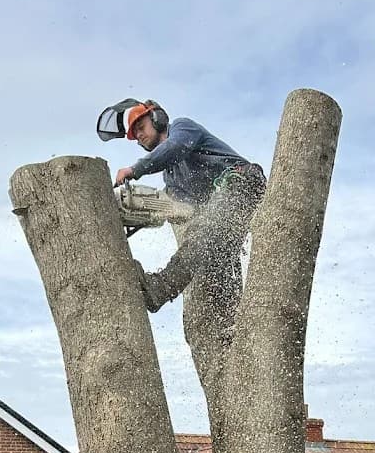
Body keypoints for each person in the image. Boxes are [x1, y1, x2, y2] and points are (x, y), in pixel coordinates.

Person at [112, 101, 266, 312]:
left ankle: (161, 287)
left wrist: (135, 169)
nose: (139, 135)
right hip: (223, 210)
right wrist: (136, 211)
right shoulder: (171, 177)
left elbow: (174, 148)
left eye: (141, 127)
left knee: (203, 231)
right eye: (135, 134)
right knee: (217, 263)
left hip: (242, 182)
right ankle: (233, 322)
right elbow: (179, 208)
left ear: (157, 119)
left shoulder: (182, 128)